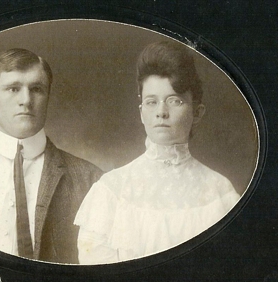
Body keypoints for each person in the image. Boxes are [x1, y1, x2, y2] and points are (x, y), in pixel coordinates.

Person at [74, 41, 240, 264]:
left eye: (174, 100)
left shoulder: (221, 193)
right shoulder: (112, 190)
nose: (161, 112)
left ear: (197, 112)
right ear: (142, 113)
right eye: (152, 102)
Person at [0, 48, 102, 264]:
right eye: (13, 89)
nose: (26, 99)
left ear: (48, 97)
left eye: (37, 89)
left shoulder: (91, 181)